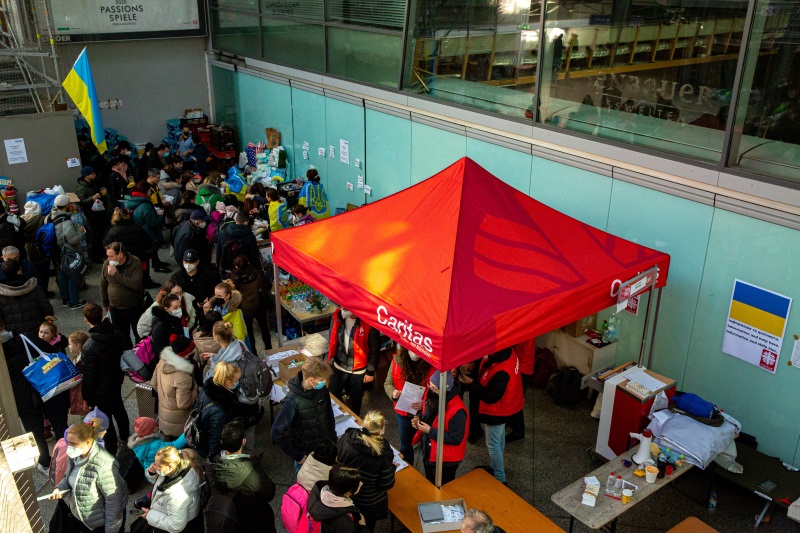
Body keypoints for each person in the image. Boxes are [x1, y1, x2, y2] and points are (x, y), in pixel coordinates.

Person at [2, 320, 69, 475]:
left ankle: (45, 464)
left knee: (35, 434)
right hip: (48, 388)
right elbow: (51, 350)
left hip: (23, 398)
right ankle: (65, 460)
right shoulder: (25, 338)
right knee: (60, 426)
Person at [50, 421, 128, 533]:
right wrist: (60, 488)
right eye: (69, 443)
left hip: (101, 524)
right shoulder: (75, 456)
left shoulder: (104, 465)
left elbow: (114, 502)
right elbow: (69, 478)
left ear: (87, 442)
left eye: (73, 444)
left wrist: (111, 530)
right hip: (84, 519)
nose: (69, 447)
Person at [206, 421, 277, 533]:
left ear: (221, 442)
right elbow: (269, 493)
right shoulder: (251, 469)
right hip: (252, 521)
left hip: (228, 521)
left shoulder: (211, 466)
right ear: (243, 441)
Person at [466, 347, 523, 485]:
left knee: (492, 444)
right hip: (508, 406)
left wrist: (471, 383)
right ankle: (493, 466)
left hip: (498, 411)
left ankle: (499, 477)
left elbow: (490, 397)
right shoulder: (509, 353)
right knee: (499, 439)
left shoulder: (501, 370)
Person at [80, 302, 129, 456]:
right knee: (119, 411)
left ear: (86, 320)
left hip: (100, 392)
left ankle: (112, 449)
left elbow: (89, 376)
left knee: (105, 421)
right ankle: (125, 438)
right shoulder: (116, 333)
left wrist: (86, 397)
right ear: (101, 315)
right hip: (115, 382)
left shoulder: (89, 347)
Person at [271, 357, 336, 470]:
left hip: (324, 447)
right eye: (321, 379)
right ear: (311, 380)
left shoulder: (322, 390)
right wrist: (298, 456)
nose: (324, 381)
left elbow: (329, 414)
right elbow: (276, 432)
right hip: (305, 453)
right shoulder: (292, 401)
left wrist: (332, 437)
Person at [336, 411, 396, 531]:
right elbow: (386, 483)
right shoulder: (383, 453)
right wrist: (392, 468)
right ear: (380, 431)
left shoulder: (348, 436)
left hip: (344, 492)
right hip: (367, 501)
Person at [412, 370, 469, 484]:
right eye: (430, 386)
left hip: (445, 460)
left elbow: (456, 438)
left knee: (443, 487)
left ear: (444, 389)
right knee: (430, 481)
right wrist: (418, 417)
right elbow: (426, 408)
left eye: (434, 388)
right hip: (430, 451)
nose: (430, 391)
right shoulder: (435, 394)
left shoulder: (458, 411)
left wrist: (430, 431)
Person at [136, 446, 204, 533]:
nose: (154, 466)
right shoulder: (178, 467)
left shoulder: (177, 495)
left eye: (158, 465)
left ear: (170, 466)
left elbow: (176, 526)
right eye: (154, 463)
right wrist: (151, 472)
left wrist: (150, 515)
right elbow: (158, 481)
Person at [327, 308, 381, 416]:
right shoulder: (338, 316)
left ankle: (355, 421)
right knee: (333, 393)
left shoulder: (369, 323)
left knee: (356, 398)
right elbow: (332, 336)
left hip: (358, 368)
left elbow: (375, 349)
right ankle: (335, 416)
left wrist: (370, 371)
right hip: (339, 364)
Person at [384, 345, 432, 461]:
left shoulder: (431, 364)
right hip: (403, 412)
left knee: (428, 445)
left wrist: (424, 403)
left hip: (424, 413)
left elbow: (436, 392)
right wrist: (393, 393)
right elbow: (388, 383)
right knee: (405, 446)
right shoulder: (397, 360)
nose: (415, 354)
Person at [153, 334, 199, 440]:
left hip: (164, 417)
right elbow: (183, 403)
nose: (194, 352)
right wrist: (195, 390)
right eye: (191, 351)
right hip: (180, 423)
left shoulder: (161, 363)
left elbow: (154, 384)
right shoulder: (184, 377)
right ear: (185, 354)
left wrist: (167, 399)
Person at [195, 361, 244, 459]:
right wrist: (213, 457)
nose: (238, 382)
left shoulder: (208, 387)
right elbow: (216, 435)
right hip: (208, 444)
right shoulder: (220, 409)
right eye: (236, 380)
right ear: (228, 383)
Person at [100, 241, 144, 349]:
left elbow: (135, 284)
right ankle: (128, 359)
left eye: (111, 256)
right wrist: (105, 302)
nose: (109, 259)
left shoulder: (135, 262)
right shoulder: (106, 264)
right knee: (121, 337)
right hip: (116, 308)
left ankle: (141, 356)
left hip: (134, 307)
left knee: (139, 333)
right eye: (107, 256)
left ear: (120, 255)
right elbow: (103, 283)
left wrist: (116, 274)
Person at [49, 194, 87, 308]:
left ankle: (65, 299)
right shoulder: (66, 221)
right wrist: (81, 232)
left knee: (62, 274)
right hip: (67, 252)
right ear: (66, 205)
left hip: (56, 250)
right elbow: (73, 240)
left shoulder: (49, 216)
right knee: (73, 274)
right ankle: (74, 302)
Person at [307, 464, 369, 533]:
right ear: (347, 492)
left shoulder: (318, 492)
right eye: (358, 483)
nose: (361, 483)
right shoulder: (344, 523)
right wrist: (363, 526)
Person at [105, 207, 156, 289]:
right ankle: (146, 283)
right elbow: (149, 243)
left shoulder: (112, 232)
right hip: (140, 258)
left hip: (122, 261)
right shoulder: (137, 228)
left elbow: (108, 246)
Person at [126, 182, 169, 274]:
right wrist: (160, 215)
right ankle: (148, 277)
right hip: (147, 232)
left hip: (141, 230)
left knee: (149, 253)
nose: (150, 192)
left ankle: (156, 263)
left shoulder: (135, 201)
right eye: (149, 191)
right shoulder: (145, 205)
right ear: (145, 191)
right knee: (147, 255)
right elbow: (153, 222)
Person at [231, 255, 272, 351]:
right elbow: (268, 286)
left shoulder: (235, 280)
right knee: (264, 328)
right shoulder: (258, 273)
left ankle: (253, 352)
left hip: (245, 309)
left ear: (237, 267)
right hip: (260, 305)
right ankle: (269, 350)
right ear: (248, 262)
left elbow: (234, 295)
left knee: (249, 332)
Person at [0, 259, 53, 334]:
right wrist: (48, 321)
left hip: (12, 333)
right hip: (36, 328)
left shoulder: (1, 291)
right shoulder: (33, 286)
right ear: (19, 270)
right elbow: (46, 307)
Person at [75, 165, 111, 263]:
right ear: (86, 176)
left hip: (98, 211)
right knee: (96, 234)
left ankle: (100, 251)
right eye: (92, 174)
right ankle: (95, 255)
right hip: (91, 214)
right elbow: (81, 202)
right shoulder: (81, 188)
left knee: (101, 232)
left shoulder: (92, 183)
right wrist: (92, 198)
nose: (94, 175)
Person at [202, 279, 249, 349]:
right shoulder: (214, 306)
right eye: (215, 295)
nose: (217, 298)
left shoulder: (236, 311)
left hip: (233, 345)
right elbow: (207, 323)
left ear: (228, 296)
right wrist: (206, 312)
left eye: (220, 296)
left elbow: (240, 333)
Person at [172, 249, 221, 314]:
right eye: (186, 262)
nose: (188, 264)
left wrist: (210, 301)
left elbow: (219, 292)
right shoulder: (176, 277)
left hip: (206, 310)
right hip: (185, 311)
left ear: (197, 262)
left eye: (191, 262)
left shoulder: (211, 276)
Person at [216, 210, 260, 277]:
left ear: (236, 220)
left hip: (227, 269)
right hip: (243, 269)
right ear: (246, 222)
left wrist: (219, 270)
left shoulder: (223, 232)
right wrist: (258, 270)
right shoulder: (250, 236)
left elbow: (218, 253)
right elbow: (254, 256)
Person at [20, 201, 50, 294]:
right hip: (40, 247)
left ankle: (36, 291)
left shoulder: (19, 220)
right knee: (44, 271)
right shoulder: (42, 219)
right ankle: (44, 290)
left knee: (32, 271)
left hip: (26, 249)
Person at [150, 293, 191, 360]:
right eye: (175, 308)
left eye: (180, 306)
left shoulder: (176, 318)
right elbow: (160, 350)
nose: (179, 309)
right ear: (166, 309)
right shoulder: (160, 326)